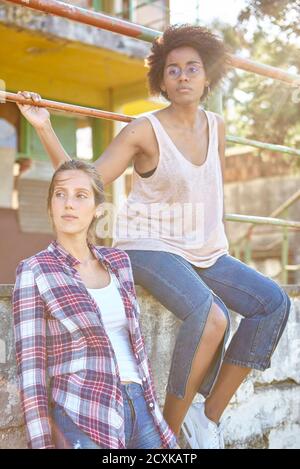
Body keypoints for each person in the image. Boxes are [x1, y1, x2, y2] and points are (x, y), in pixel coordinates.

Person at [17, 24, 291, 449]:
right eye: (173, 70)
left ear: (207, 77)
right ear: (161, 80)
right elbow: (87, 179)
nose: (183, 77)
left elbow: (211, 194)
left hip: (204, 251)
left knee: (273, 303)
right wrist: (44, 126)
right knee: (211, 315)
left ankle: (206, 417)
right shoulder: (143, 129)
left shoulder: (216, 126)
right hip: (146, 246)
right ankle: (167, 436)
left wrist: (221, 245)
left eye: (192, 69)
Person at [12, 159, 178, 449]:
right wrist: (43, 444)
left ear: (98, 208)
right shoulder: (35, 270)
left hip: (141, 406)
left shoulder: (119, 262)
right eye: (60, 194)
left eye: (81, 196)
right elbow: (31, 370)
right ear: (50, 204)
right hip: (84, 413)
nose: (68, 204)